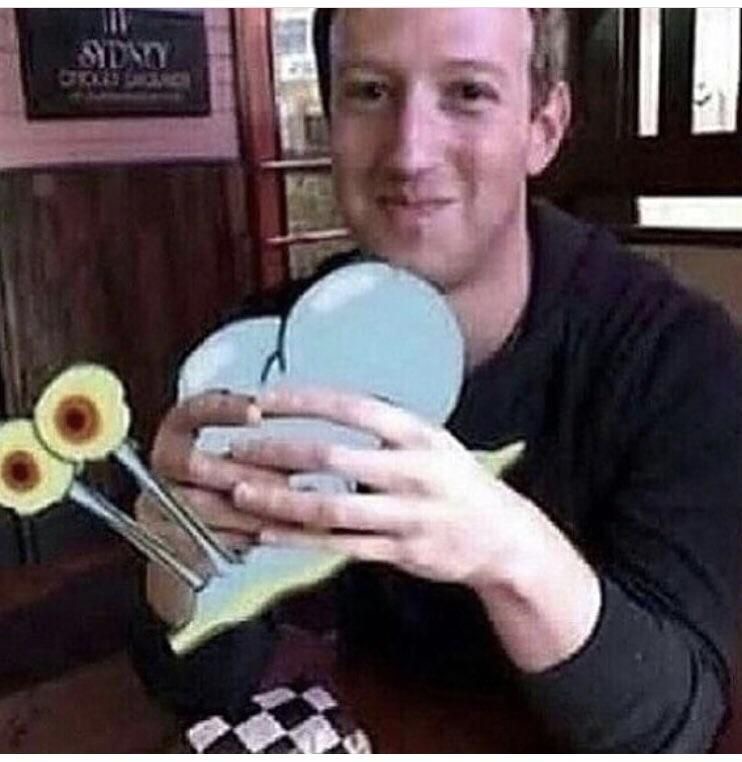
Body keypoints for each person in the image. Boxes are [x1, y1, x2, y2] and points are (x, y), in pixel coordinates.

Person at [130, 9, 742, 752]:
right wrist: (178, 564)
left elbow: (675, 726)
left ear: (543, 126)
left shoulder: (677, 359)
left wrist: (507, 552)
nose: (410, 151)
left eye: (468, 92)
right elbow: (197, 687)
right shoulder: (262, 355)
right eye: (370, 91)